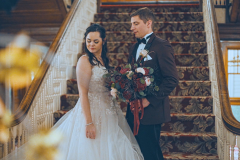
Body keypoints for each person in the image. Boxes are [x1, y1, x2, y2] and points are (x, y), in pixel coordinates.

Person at [1, 24, 143, 160]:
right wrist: (89, 123)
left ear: (103, 41)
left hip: (107, 112)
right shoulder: (84, 60)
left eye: (95, 41)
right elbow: (83, 92)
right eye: (88, 41)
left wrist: (116, 89)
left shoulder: (103, 60)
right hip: (90, 113)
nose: (91, 44)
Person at [126, 7, 179, 160]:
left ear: (148, 23)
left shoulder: (162, 46)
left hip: (151, 111)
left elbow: (171, 79)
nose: (132, 28)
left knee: (151, 154)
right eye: (131, 24)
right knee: (136, 152)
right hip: (133, 109)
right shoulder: (134, 47)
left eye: (135, 23)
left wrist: (149, 100)